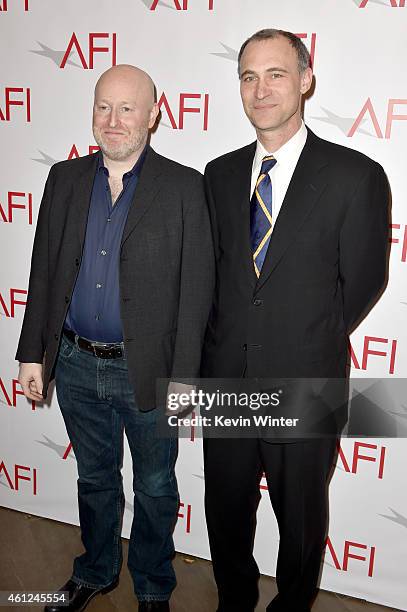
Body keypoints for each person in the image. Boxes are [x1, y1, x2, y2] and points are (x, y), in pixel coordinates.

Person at [201, 29, 389, 612]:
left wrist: (302, 335)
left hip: (308, 379)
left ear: (306, 80)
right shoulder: (218, 174)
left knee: (301, 519)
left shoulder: (355, 175)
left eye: (276, 74)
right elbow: (217, 277)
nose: (261, 90)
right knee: (225, 513)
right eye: (249, 77)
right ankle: (234, 601)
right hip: (224, 378)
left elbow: (364, 282)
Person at [16, 64, 214, 612]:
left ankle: (152, 585)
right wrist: (34, 352)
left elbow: (197, 290)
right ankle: (96, 570)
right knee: (94, 476)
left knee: (155, 486)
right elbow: (44, 272)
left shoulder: (184, 186)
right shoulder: (64, 178)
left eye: (128, 108)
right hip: (76, 363)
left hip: (147, 369)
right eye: (104, 106)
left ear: (154, 114)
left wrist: (186, 381)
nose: (114, 119)